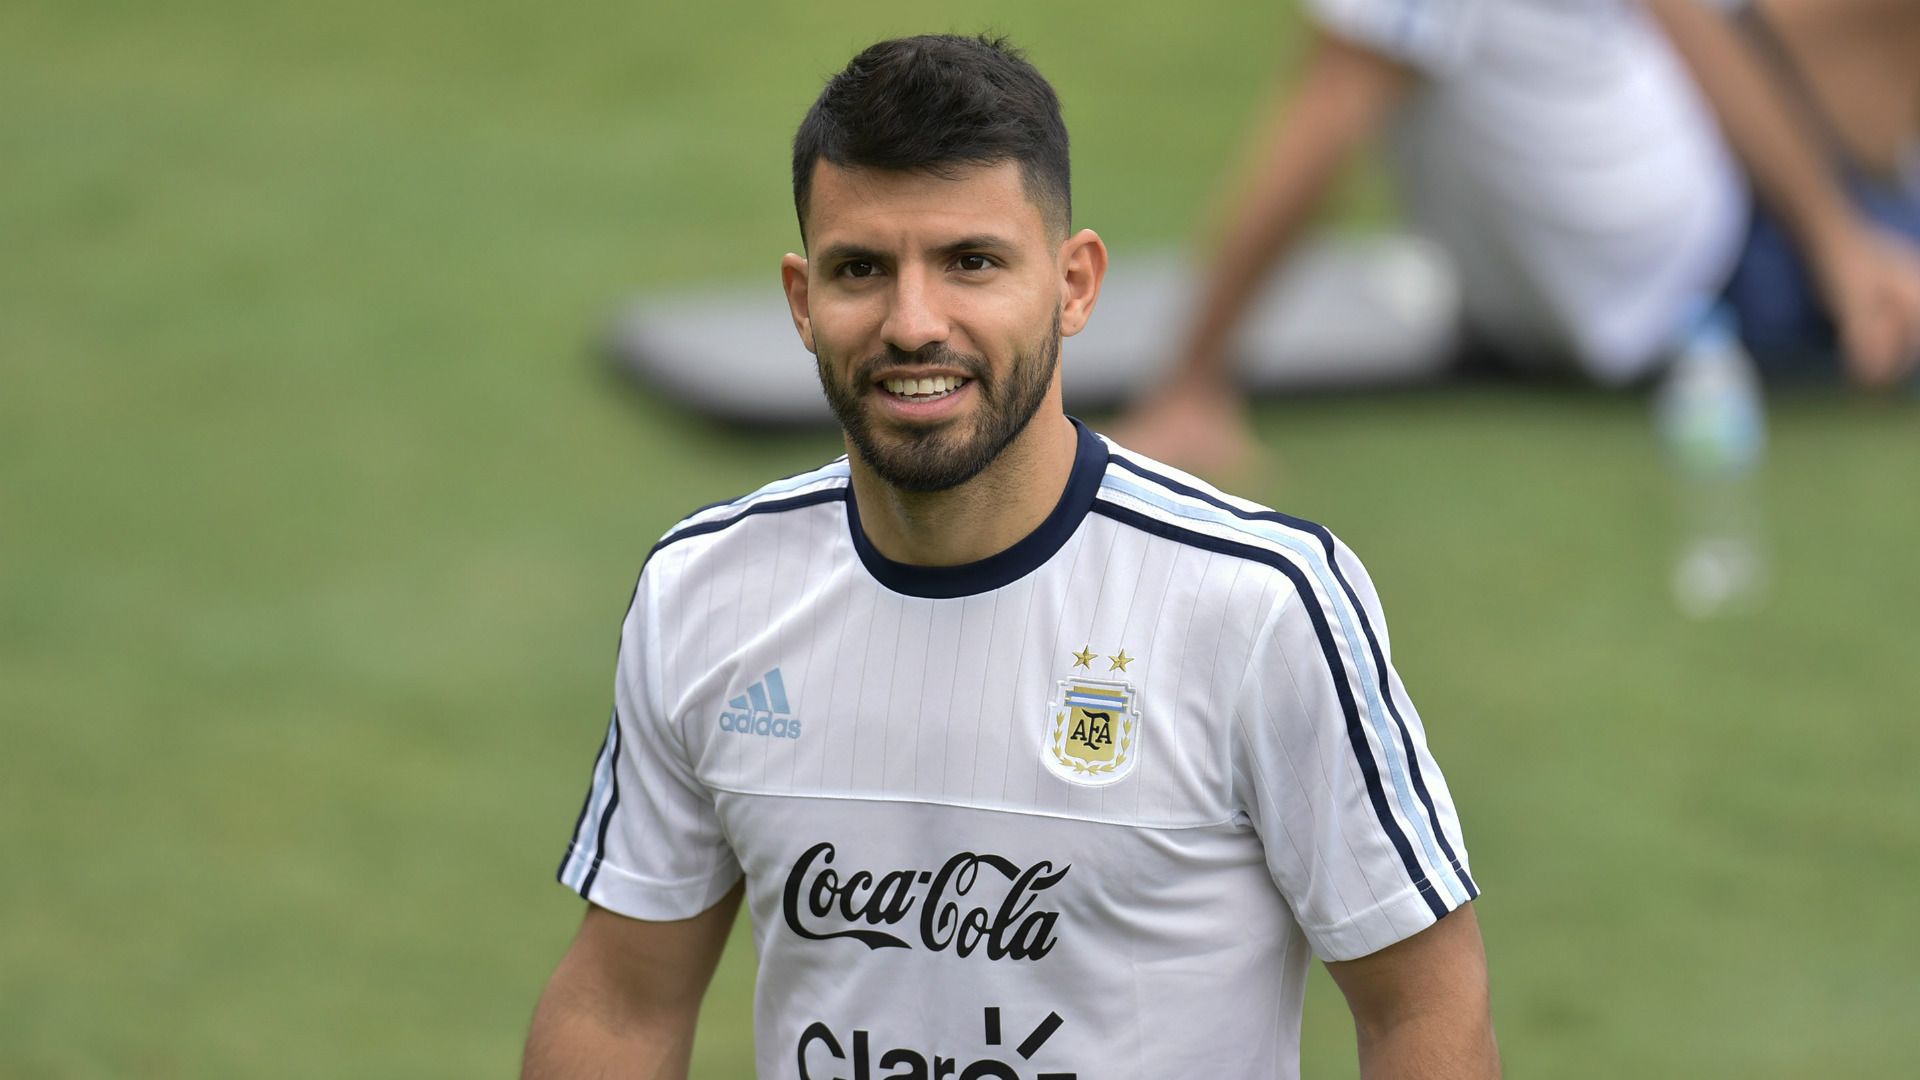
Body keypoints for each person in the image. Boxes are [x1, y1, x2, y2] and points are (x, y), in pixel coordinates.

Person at [523, 34, 1497, 1080]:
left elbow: (1424, 1011)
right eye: (862, 270)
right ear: (803, 302)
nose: (913, 322)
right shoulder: (707, 594)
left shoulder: (1257, 605)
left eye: (971, 263)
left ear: (1074, 286)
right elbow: (621, 1007)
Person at [1116, 0, 1920, 477]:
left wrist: (1836, 241)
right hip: (1709, 270)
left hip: (1722, 251)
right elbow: (1332, 115)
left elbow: (1327, 122)